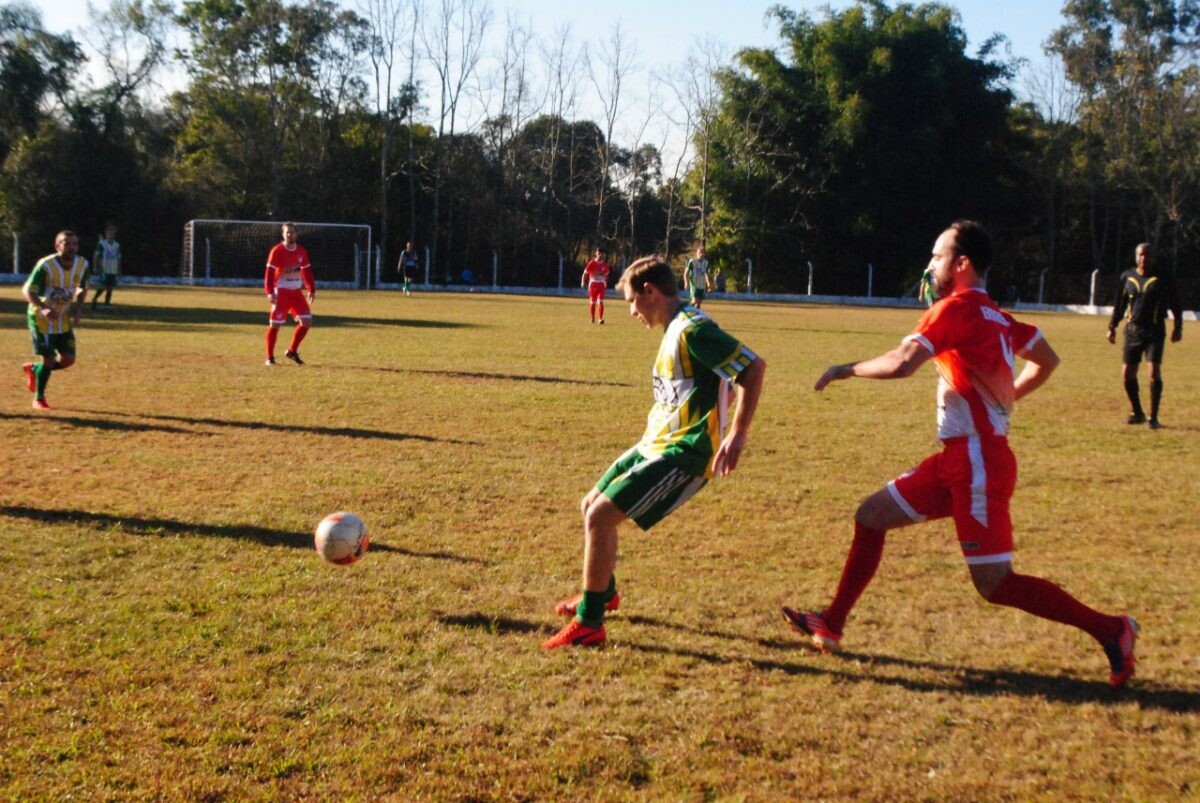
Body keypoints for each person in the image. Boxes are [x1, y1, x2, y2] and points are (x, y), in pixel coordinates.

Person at [784, 220, 1138, 688]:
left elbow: (902, 363)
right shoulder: (997, 316)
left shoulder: (953, 309)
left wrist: (846, 369)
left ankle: (1113, 629)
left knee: (995, 583)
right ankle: (831, 621)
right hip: (961, 459)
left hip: (975, 464)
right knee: (870, 516)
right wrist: (1002, 400)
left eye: (937, 257)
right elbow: (1047, 360)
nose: (930, 266)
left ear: (962, 263)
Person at [543, 256, 766, 649]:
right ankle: (603, 593)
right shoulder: (676, 328)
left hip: (686, 453)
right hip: (656, 443)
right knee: (590, 504)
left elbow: (751, 368)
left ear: (651, 292)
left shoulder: (694, 329)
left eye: (632, 301)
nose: (630, 311)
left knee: (600, 516)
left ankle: (590, 623)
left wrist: (737, 434)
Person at [1106, 242, 1183, 429]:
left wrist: (1177, 327)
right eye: (1141, 255)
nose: (1144, 258)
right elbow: (1120, 305)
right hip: (1132, 331)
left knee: (1153, 372)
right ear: (1136, 256)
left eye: (1147, 255)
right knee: (1127, 374)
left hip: (1154, 331)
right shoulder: (1127, 277)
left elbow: (1175, 303)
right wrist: (1112, 326)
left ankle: (1153, 418)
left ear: (1153, 257)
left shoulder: (1163, 277)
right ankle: (1137, 412)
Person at [21, 230, 88, 409]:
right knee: (49, 359)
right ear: (57, 246)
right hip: (40, 318)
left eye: (74, 244)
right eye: (67, 244)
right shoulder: (46, 265)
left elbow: (82, 287)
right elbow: (28, 291)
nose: (72, 247)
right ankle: (39, 399)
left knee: (68, 359)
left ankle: (36, 369)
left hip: (62, 318)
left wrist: (78, 308)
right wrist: (43, 308)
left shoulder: (82, 264)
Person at [264, 222, 315, 366]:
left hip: (296, 293)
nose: (289, 234)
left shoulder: (301, 251)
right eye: (287, 232)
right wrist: (269, 292)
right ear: (283, 234)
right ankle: (269, 357)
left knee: (307, 322)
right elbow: (269, 273)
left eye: (291, 232)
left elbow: (306, 271)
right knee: (275, 325)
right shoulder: (277, 251)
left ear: (296, 234)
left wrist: (311, 289)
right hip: (281, 292)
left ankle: (292, 351)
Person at [90, 224, 121, 309]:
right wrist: (95, 266)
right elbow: (96, 256)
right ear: (106, 233)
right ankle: (94, 299)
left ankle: (107, 304)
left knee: (110, 287)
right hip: (104, 269)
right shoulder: (102, 244)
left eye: (113, 233)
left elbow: (118, 257)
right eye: (109, 233)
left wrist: (119, 269)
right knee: (103, 286)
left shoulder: (116, 245)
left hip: (113, 269)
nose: (111, 234)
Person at [581, 248, 611, 324]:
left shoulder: (605, 265)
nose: (600, 255)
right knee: (592, 302)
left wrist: (605, 283)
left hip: (601, 284)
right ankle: (592, 318)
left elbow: (607, 275)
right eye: (599, 253)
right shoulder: (592, 263)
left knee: (600, 301)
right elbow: (585, 273)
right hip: (593, 284)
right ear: (596, 253)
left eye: (602, 253)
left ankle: (600, 319)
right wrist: (583, 281)